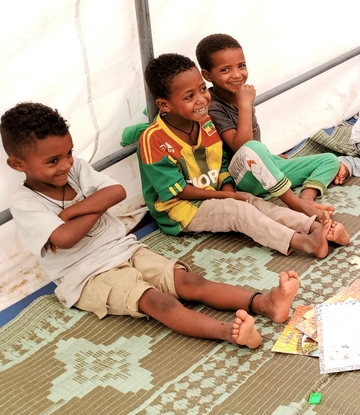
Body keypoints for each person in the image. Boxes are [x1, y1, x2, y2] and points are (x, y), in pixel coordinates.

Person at [3, 102, 302, 349]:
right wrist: (96, 203)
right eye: (53, 161)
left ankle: (266, 304)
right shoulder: (24, 202)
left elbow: (116, 192)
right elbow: (66, 239)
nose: (66, 164)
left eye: (68, 153)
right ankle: (231, 333)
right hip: (87, 275)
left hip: (125, 249)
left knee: (190, 282)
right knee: (156, 301)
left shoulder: (76, 168)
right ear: (18, 165)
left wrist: (76, 211)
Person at [138, 53, 349, 258]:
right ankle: (304, 242)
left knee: (255, 203)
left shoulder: (205, 123)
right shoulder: (153, 139)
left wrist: (228, 189)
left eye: (202, 89)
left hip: (214, 194)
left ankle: (316, 226)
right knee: (238, 211)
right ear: (165, 105)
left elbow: (220, 164)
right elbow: (178, 190)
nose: (202, 100)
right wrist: (225, 196)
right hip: (180, 211)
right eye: (189, 96)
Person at [195, 34, 340, 219]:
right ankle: (297, 205)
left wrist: (268, 158)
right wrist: (245, 105)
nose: (237, 75)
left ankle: (307, 198)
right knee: (254, 148)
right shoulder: (213, 106)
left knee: (329, 160)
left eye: (241, 66)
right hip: (239, 178)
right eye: (225, 70)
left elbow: (256, 143)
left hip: (258, 169)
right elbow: (244, 147)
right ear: (207, 75)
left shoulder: (242, 95)